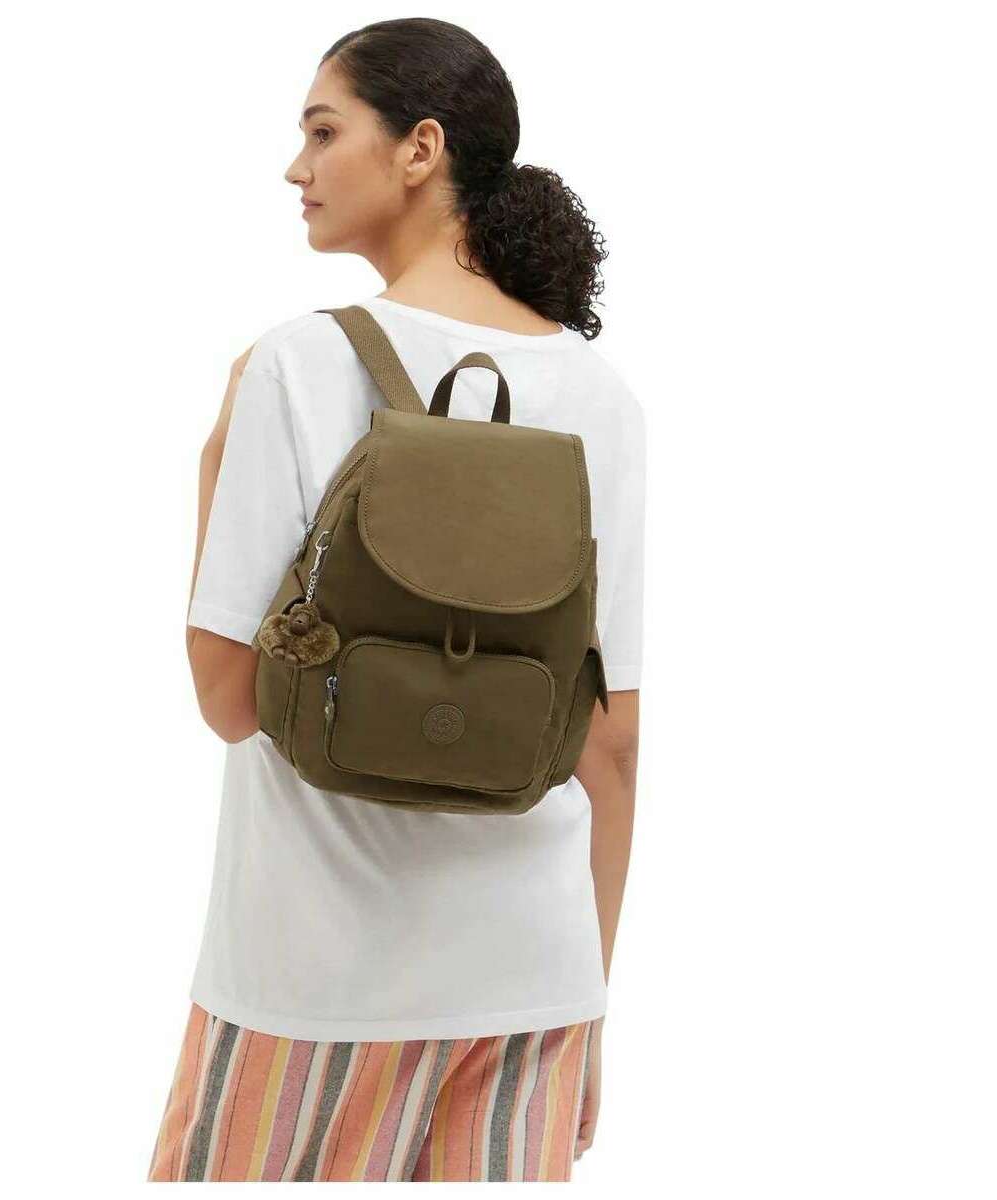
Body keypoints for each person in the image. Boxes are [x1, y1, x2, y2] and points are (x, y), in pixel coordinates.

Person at [148, 18, 643, 1183]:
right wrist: (590, 1002)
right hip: (529, 989)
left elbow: (229, 699)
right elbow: (610, 744)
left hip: (309, 982)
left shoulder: (293, 365)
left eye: (324, 132)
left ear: (420, 148)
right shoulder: (601, 396)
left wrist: (216, 452)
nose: (298, 167)